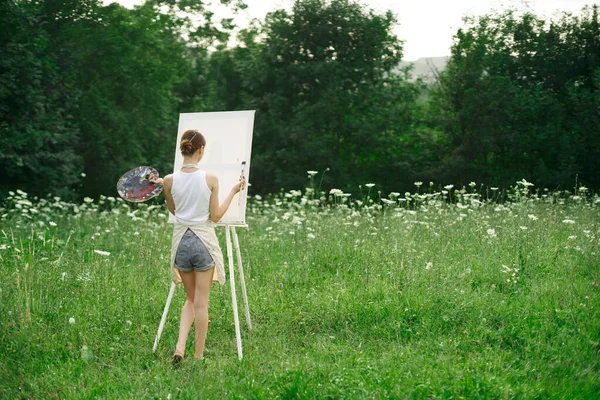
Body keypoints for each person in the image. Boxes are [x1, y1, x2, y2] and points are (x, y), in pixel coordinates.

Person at [152, 129, 244, 368]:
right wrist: (234, 191)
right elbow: (215, 217)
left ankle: (179, 347)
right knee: (201, 304)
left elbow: (174, 211)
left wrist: (164, 185)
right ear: (201, 150)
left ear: (182, 150)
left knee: (189, 301)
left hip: (181, 243)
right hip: (203, 243)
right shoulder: (211, 179)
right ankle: (198, 355)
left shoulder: (169, 181)